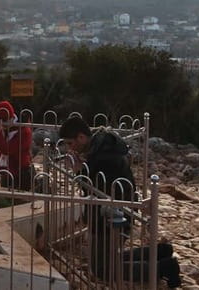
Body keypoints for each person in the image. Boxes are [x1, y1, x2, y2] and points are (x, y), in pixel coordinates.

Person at [58, 117, 180, 287]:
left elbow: (98, 191)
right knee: (106, 260)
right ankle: (159, 252)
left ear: (81, 137)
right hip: (110, 214)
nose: (71, 148)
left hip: (111, 219)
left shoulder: (103, 157)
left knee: (102, 270)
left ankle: (164, 267)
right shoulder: (101, 149)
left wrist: (80, 172)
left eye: (71, 143)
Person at [0, 100, 33, 191]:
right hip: (6, 170)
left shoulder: (24, 131)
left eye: (5, 121)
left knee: (20, 200)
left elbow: (6, 150)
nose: (2, 124)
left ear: (12, 117)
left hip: (20, 171)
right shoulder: (3, 128)